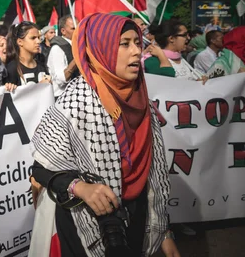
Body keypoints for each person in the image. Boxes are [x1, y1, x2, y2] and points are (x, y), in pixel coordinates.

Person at [29, 13, 179, 257]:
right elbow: (40, 168)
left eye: (138, 43)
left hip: (137, 218)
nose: (136, 52)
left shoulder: (144, 101)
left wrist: (165, 232)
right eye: (124, 44)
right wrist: (81, 188)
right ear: (101, 48)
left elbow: (153, 172)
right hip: (83, 224)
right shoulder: (75, 101)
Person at [4, 21, 51, 86]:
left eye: (38, 38)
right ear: (20, 42)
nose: (38, 41)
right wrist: (39, 86)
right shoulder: (12, 68)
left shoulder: (41, 65)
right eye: (33, 38)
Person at [47, 15, 79, 98]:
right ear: (63, 31)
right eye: (73, 28)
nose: (78, 30)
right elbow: (62, 79)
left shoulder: (79, 45)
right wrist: (78, 57)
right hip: (64, 97)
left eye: (79, 27)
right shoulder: (57, 49)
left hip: (80, 95)